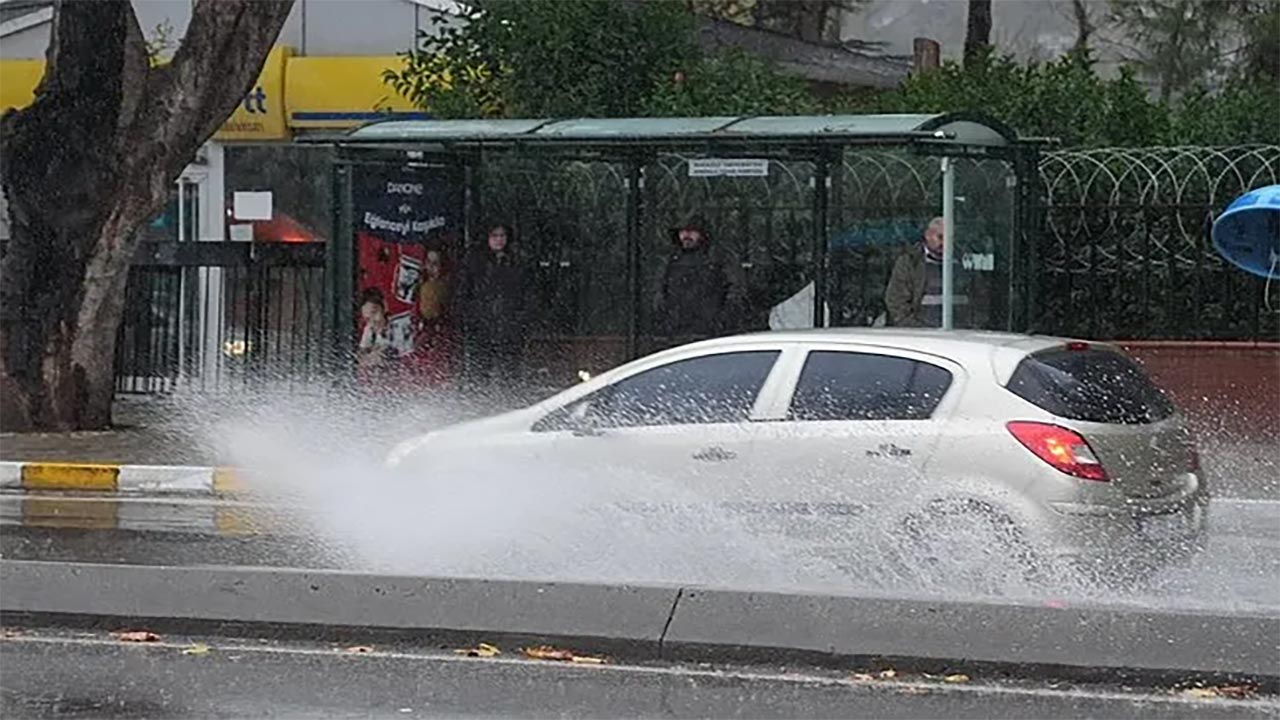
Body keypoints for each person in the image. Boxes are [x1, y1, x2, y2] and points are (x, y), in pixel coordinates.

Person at [652, 216, 745, 341]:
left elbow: (736, 287)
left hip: (709, 329)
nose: (686, 236)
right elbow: (659, 289)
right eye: (683, 232)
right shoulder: (671, 259)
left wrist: (722, 318)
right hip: (677, 328)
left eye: (692, 231)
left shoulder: (719, 258)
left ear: (702, 234)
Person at [456, 224, 528, 384]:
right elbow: (464, 290)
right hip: (481, 324)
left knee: (509, 369)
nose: (499, 240)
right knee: (480, 369)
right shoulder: (474, 260)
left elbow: (524, 291)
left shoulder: (515, 260)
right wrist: (470, 315)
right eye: (494, 236)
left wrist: (519, 317)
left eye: (502, 236)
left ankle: (509, 399)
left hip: (509, 324)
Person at [884, 217, 986, 328]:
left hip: (961, 333)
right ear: (928, 235)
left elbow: (980, 297)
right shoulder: (910, 262)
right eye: (940, 237)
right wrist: (913, 328)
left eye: (950, 238)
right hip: (922, 336)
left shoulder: (964, 261)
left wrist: (974, 325)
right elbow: (896, 301)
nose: (945, 243)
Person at [412, 248, 457, 386]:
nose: (432, 267)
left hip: (440, 335)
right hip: (423, 332)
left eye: (436, 263)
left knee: (439, 368)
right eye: (429, 262)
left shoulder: (447, 285)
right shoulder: (420, 284)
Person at [356, 288, 394, 371]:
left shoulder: (396, 326)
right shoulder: (369, 330)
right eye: (368, 319)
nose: (373, 321)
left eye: (374, 312)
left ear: (385, 306)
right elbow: (361, 358)